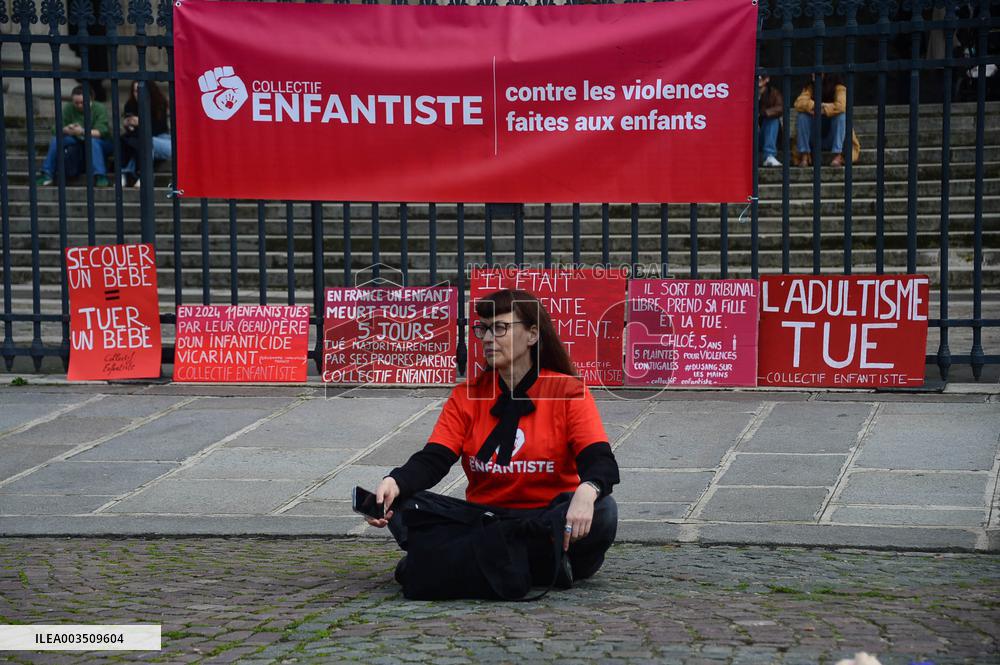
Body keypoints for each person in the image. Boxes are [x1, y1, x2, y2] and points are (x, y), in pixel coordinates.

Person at [366, 288, 621, 589]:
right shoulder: (466, 395)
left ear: (533, 335)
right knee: (406, 503)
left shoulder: (569, 392)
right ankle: (537, 566)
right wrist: (394, 482)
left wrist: (587, 491)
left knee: (604, 511)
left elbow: (600, 460)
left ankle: (465, 561)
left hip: (547, 520)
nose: (488, 338)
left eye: (500, 328)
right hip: (486, 519)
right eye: (483, 329)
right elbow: (434, 458)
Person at [36, 85, 112, 187]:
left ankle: (100, 176)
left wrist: (81, 131)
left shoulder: (99, 108)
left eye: (82, 103)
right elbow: (56, 128)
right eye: (76, 103)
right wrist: (66, 129)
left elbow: (101, 132)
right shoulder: (69, 108)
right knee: (57, 140)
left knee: (92, 141)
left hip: (99, 142)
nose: (79, 105)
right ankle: (47, 173)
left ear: (91, 100)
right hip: (76, 139)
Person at [793, 73, 861, 167]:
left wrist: (823, 109)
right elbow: (798, 103)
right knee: (802, 116)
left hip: (832, 138)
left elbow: (842, 105)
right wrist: (815, 106)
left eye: (817, 73)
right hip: (814, 137)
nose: (813, 75)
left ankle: (837, 155)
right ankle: (804, 155)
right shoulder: (810, 87)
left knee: (842, 116)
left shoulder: (839, 88)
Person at [119, 81, 172, 188]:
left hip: (162, 140)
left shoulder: (159, 103)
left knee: (142, 141)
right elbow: (132, 133)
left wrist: (141, 122)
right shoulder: (130, 105)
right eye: (135, 91)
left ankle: (133, 175)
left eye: (140, 91)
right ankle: (129, 175)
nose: (137, 94)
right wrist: (128, 124)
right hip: (140, 141)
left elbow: (159, 129)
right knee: (132, 141)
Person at [758, 75, 784, 167]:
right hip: (751, 136)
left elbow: (780, 108)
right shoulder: (746, 91)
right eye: (757, 77)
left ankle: (769, 156)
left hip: (768, 136)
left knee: (773, 120)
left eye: (761, 77)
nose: (759, 80)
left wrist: (763, 113)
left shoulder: (773, 93)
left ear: (767, 79)